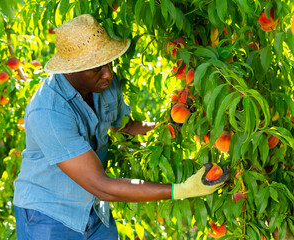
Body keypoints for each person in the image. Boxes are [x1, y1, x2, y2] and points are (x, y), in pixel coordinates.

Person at [13, 14, 230, 240]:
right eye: (96, 68)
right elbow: (101, 185)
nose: (108, 74)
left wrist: (169, 126)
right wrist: (180, 190)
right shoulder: (48, 111)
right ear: (70, 69)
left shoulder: (105, 84)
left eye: (109, 62)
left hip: (94, 209)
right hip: (48, 216)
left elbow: (124, 128)